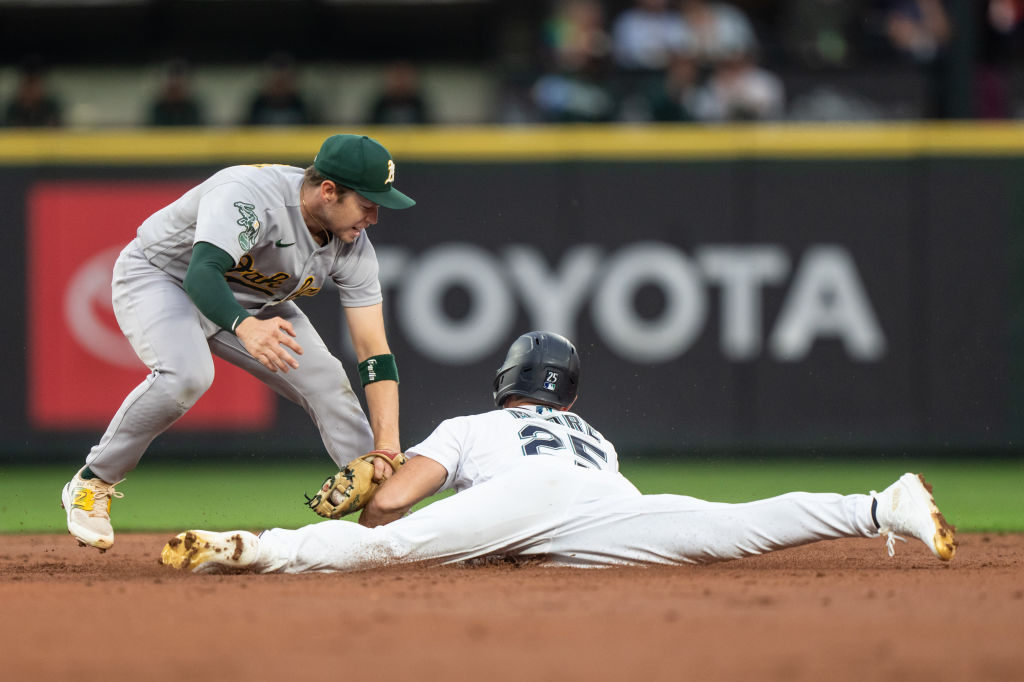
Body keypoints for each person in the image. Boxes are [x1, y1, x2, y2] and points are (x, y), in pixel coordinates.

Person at [159, 331, 958, 574]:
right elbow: (552, 531)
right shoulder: (595, 435)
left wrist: (375, 491)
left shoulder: (472, 424)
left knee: (389, 547)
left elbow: (394, 505)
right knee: (732, 527)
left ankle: (252, 548)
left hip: (529, 494)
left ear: (502, 384)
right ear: (566, 398)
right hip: (606, 500)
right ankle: (878, 506)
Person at [61, 133, 415, 551]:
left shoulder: (353, 246)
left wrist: (387, 449)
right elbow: (202, 275)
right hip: (163, 277)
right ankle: (94, 481)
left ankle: (388, 514)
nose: (374, 217)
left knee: (326, 380)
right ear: (328, 191)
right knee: (186, 376)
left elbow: (374, 351)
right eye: (367, 203)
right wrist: (244, 327)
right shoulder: (249, 196)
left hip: (250, 300)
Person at [148, 59, 204, 127]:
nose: (175, 91)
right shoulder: (158, 109)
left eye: (178, 88)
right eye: (172, 88)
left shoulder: (192, 109)